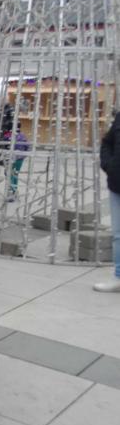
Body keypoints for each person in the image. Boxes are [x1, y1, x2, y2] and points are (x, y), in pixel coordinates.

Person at [97, 111, 120, 292]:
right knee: (118, 235)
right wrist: (109, 165)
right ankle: (119, 278)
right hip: (117, 184)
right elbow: (107, 142)